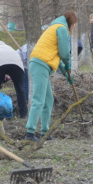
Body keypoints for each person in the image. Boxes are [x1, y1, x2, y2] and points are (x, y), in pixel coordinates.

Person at [25, 10, 76, 141]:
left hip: (42, 64)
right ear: (71, 23)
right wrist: (68, 65)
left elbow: (57, 55)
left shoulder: (54, 27)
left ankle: (45, 132)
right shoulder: (62, 29)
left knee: (48, 100)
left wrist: (66, 73)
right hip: (41, 64)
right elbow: (64, 54)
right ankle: (29, 133)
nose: (74, 27)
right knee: (39, 99)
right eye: (74, 24)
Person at [0, 41, 28, 119]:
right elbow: (8, 64)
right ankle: (23, 114)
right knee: (20, 89)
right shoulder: (8, 46)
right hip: (17, 65)